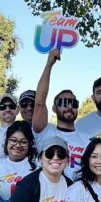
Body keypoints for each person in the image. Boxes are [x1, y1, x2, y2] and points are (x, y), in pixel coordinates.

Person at [30, 49, 88, 177]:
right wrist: (49, 64)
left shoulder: (86, 140)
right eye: (63, 102)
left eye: (73, 103)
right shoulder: (45, 131)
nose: (69, 106)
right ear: (54, 108)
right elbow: (39, 103)